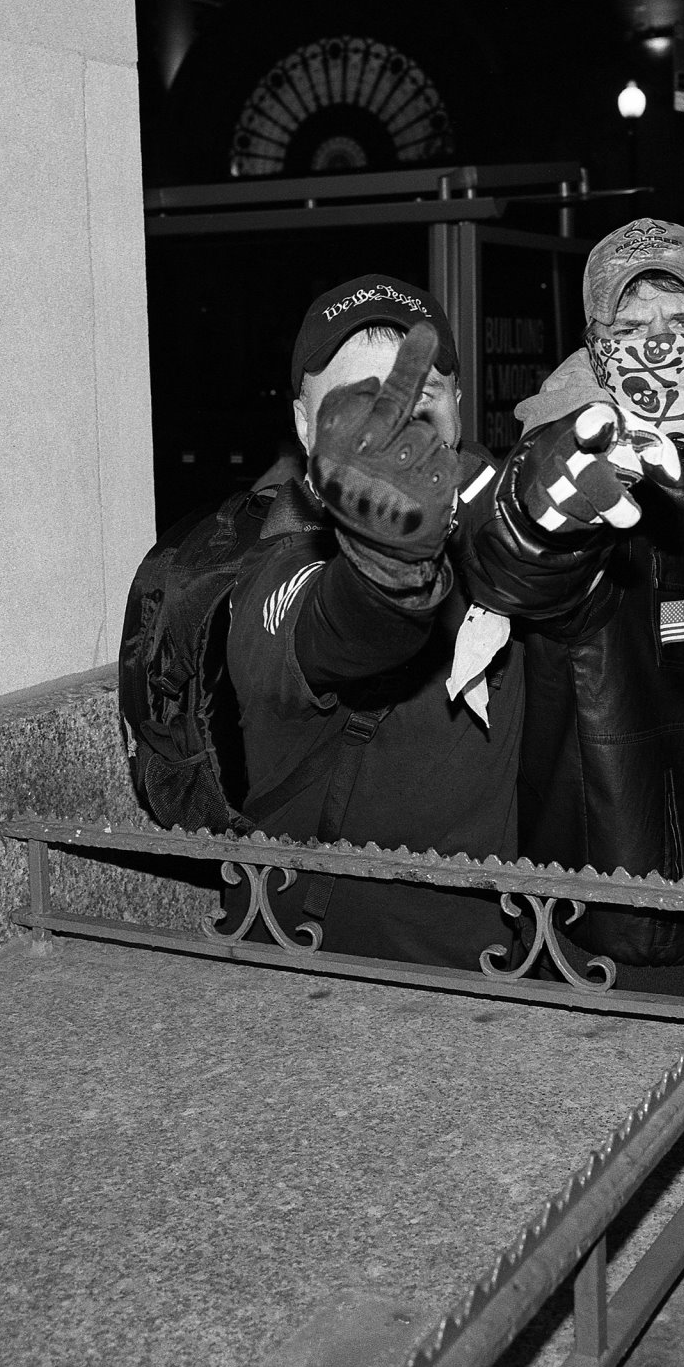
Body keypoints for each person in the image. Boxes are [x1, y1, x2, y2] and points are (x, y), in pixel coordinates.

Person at [453, 219, 684, 994]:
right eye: (632, 325)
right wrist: (528, 524)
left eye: (683, 322)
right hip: (625, 925)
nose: (661, 343)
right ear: (593, 341)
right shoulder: (581, 458)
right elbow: (526, 556)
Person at [225, 274, 532, 969]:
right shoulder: (282, 550)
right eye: (358, 405)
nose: (393, 427)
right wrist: (386, 566)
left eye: (420, 394)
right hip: (321, 964)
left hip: (502, 962)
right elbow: (337, 632)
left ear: (458, 402)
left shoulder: (504, 512)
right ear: (306, 424)